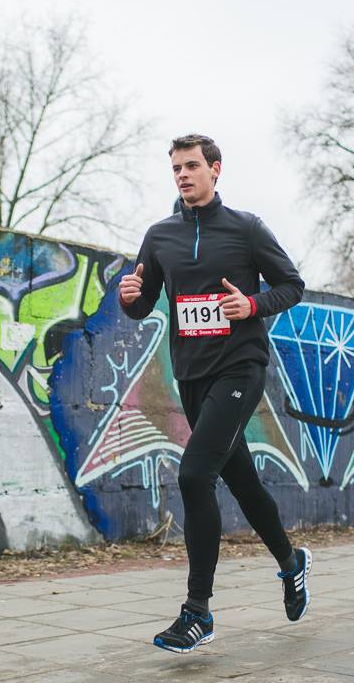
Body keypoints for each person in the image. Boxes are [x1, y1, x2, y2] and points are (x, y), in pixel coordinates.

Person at [118, 134, 311, 654]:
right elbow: (143, 302)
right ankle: (291, 562)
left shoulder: (246, 229)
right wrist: (129, 298)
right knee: (243, 483)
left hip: (240, 367)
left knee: (194, 475)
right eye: (176, 168)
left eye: (191, 165)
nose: (183, 175)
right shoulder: (160, 236)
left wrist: (252, 305)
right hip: (192, 375)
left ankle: (197, 612)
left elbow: (292, 285)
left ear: (215, 169)